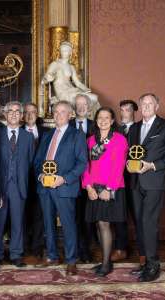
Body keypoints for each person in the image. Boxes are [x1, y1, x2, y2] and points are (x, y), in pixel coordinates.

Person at [127, 93, 165, 282]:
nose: (147, 107)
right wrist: (128, 164)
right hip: (135, 182)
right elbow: (130, 153)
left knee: (149, 222)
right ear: (139, 107)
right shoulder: (134, 128)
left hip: (154, 182)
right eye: (144, 104)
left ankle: (153, 264)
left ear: (157, 106)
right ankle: (145, 263)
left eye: (150, 103)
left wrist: (153, 165)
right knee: (140, 223)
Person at [33, 101, 87, 275]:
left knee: (68, 224)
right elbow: (37, 161)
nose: (58, 115)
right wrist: (40, 175)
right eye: (55, 112)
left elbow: (82, 163)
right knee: (47, 223)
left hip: (64, 187)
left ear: (70, 114)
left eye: (62, 112)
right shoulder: (47, 135)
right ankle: (52, 255)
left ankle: (71, 260)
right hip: (45, 187)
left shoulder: (77, 135)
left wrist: (63, 179)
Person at [82, 107, 128, 277]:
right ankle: (105, 260)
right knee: (98, 224)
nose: (103, 121)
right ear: (96, 120)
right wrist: (88, 187)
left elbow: (119, 167)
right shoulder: (90, 141)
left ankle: (107, 264)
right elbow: (85, 165)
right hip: (94, 189)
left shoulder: (119, 140)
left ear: (112, 120)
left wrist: (109, 189)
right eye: (100, 117)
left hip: (111, 189)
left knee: (104, 223)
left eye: (106, 118)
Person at [0, 101, 34, 267]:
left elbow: (31, 162)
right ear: (5, 114)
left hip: (19, 186)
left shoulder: (28, 137)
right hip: (0, 186)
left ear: (21, 115)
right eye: (10, 111)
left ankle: (16, 253)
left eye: (17, 111)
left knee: (18, 221)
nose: (13, 114)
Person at [111, 99, 138, 263]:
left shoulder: (140, 128)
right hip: (118, 179)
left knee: (137, 215)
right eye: (121, 110)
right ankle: (121, 248)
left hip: (136, 179)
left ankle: (143, 249)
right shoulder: (116, 130)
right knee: (119, 216)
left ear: (134, 111)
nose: (123, 113)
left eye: (127, 110)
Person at [41, 41, 99, 114]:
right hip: (62, 93)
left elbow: (77, 83)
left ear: (70, 52)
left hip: (72, 90)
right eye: (62, 50)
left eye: (65, 50)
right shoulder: (55, 64)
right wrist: (48, 78)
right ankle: (86, 117)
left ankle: (89, 119)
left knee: (95, 97)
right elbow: (45, 79)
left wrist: (86, 89)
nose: (63, 52)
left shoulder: (71, 67)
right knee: (91, 99)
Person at [70, 94, 95, 263]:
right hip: (72, 177)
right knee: (74, 216)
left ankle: (86, 250)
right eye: (78, 105)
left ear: (89, 107)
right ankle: (77, 249)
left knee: (88, 216)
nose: (81, 108)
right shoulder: (67, 125)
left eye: (84, 105)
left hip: (93, 178)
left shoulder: (96, 125)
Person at [23, 103, 48, 262]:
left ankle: (38, 247)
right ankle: (24, 247)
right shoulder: (17, 132)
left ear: (37, 114)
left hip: (41, 180)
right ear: (23, 115)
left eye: (33, 112)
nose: (30, 115)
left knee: (39, 214)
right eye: (27, 112)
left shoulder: (46, 133)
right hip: (22, 180)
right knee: (22, 215)